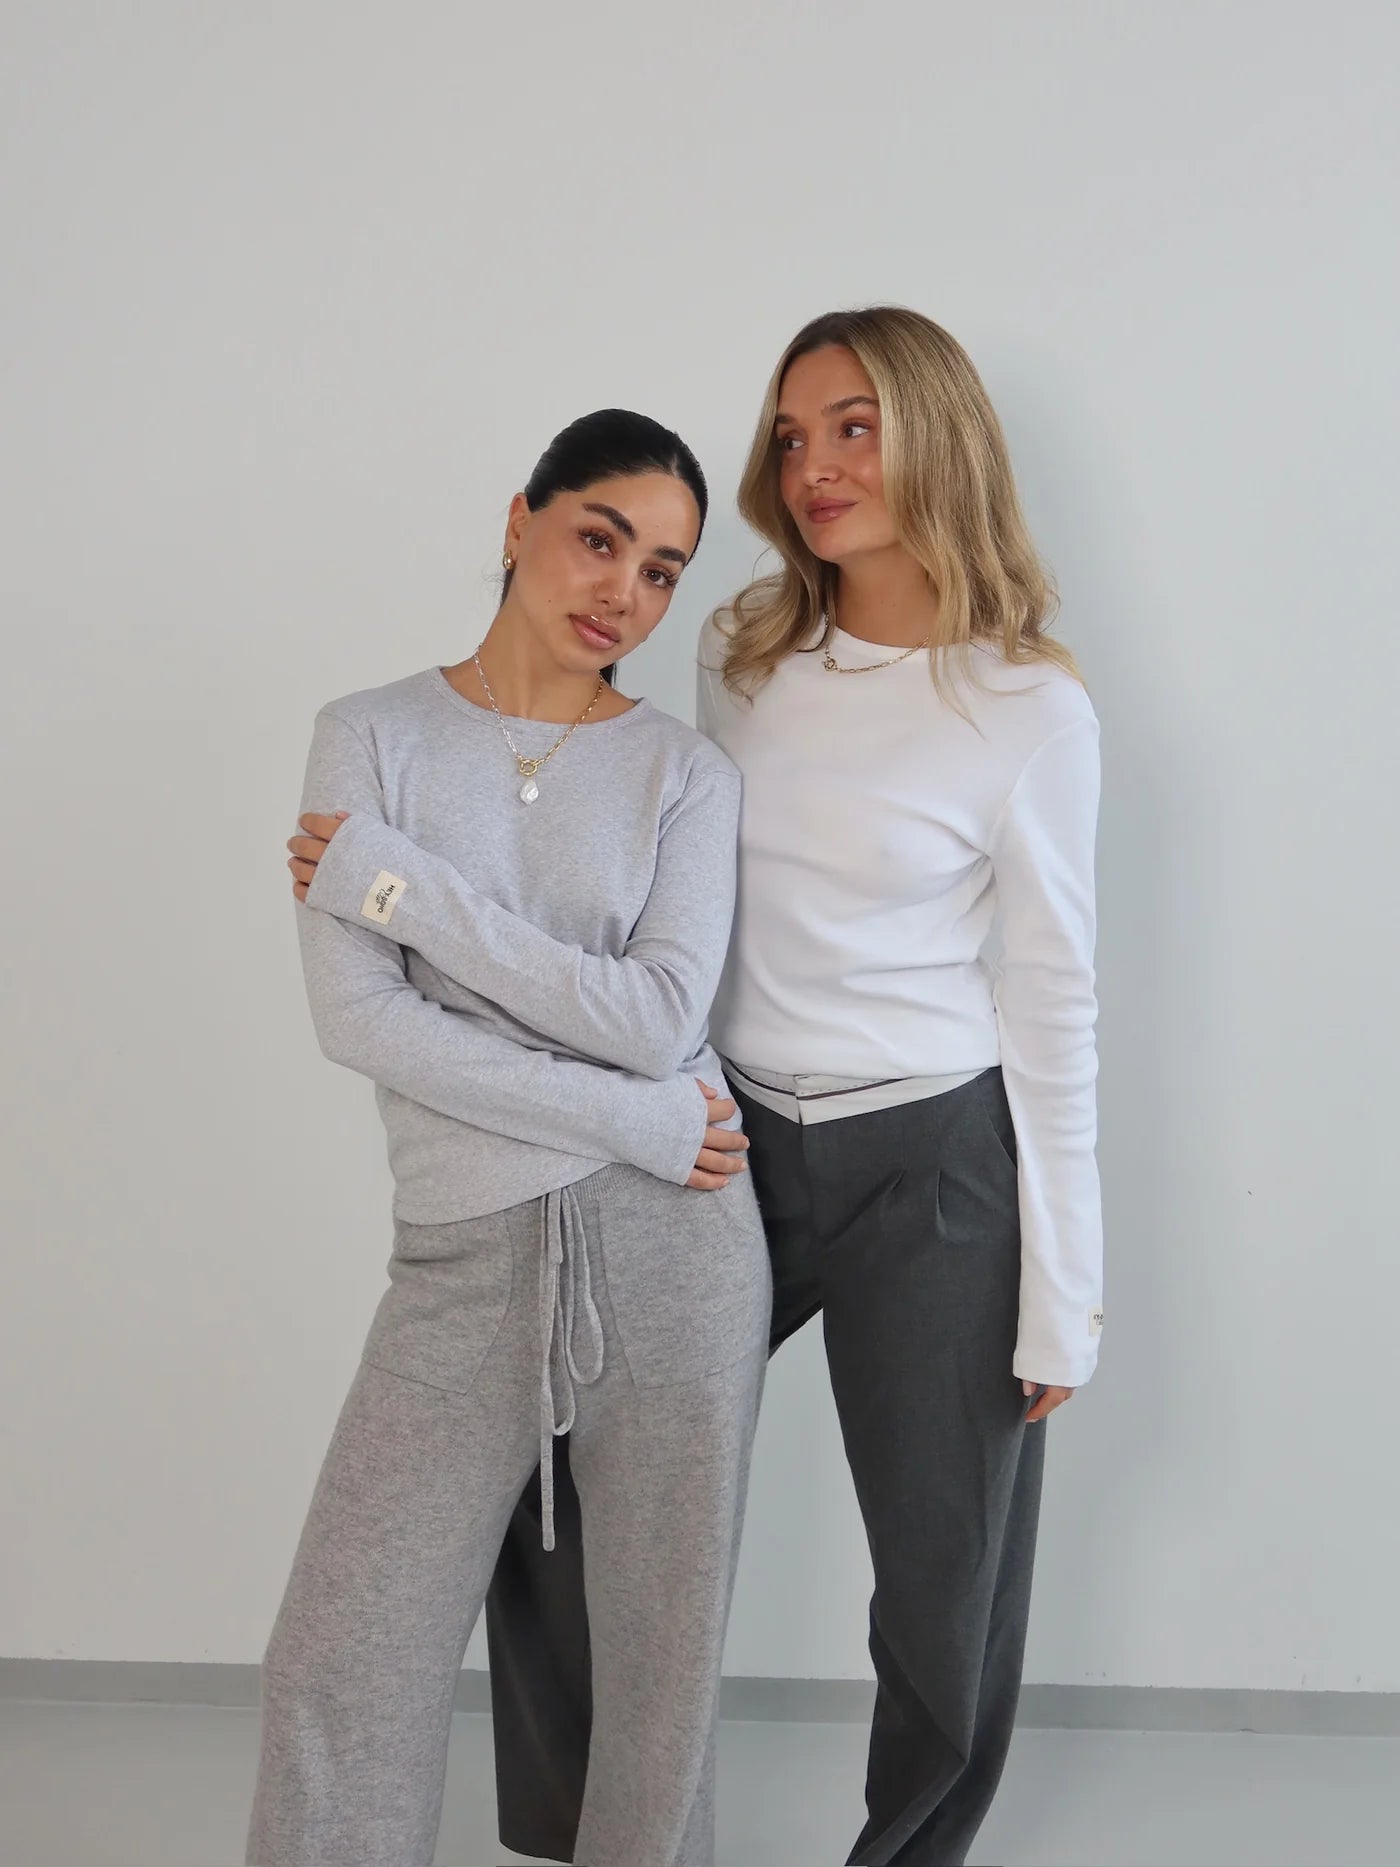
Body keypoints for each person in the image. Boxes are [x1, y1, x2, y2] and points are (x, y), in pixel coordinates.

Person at [484, 308, 1105, 1867]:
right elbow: (657, 870)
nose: (815, 464)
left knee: (946, 1581)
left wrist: (1066, 1289)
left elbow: (1055, 999)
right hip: (730, 1134)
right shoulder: (742, 649)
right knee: (554, 1472)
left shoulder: (1029, 706)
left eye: (854, 427)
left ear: (935, 435)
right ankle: (597, 1834)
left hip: (936, 1162)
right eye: (791, 434)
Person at [246, 409, 772, 1867]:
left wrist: (406, 894)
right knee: (335, 1669)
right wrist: (635, 1119)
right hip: (465, 1258)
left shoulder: (687, 774)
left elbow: (660, 1016)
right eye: (600, 538)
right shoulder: (369, 736)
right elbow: (363, 1021)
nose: (624, 592)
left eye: (661, 570)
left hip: (677, 1254)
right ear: (520, 519)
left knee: (658, 1694)